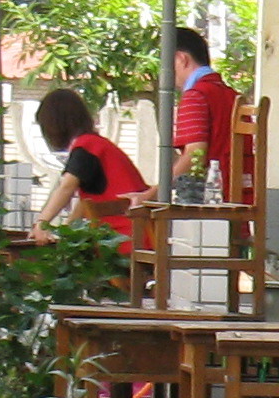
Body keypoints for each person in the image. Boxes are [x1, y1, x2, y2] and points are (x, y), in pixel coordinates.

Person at [28, 88, 150, 248]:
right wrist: (66, 233)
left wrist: (41, 224)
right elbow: (85, 203)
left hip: (121, 240)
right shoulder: (99, 145)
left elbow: (66, 187)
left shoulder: (87, 145)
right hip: (142, 235)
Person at [168, 26, 239, 198]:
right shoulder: (232, 95)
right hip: (240, 196)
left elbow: (195, 156)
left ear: (181, 59)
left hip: (211, 203)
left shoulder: (196, 95)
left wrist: (155, 192)